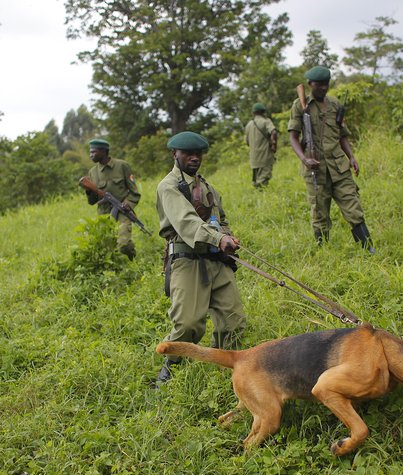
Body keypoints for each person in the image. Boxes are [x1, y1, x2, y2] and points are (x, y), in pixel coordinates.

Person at [155, 131, 247, 384]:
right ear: (175, 154)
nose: (195, 158)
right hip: (187, 260)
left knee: (234, 322)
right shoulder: (169, 186)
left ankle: (225, 374)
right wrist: (219, 238)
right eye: (188, 153)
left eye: (199, 154)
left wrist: (228, 237)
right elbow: (186, 222)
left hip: (217, 260)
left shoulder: (207, 187)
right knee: (188, 325)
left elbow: (222, 219)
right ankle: (170, 370)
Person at [288, 66, 376, 253]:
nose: (323, 88)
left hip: (339, 166)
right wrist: (304, 159)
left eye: (326, 85)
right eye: (319, 85)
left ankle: (368, 249)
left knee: (353, 205)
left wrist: (351, 157)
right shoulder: (300, 105)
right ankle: (324, 251)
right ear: (310, 84)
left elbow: (342, 135)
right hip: (316, 168)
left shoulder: (335, 105)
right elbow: (293, 137)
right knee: (319, 211)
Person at [81, 138, 142, 260]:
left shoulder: (122, 166)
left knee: (123, 244)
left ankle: (132, 260)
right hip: (104, 214)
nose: (91, 155)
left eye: (94, 152)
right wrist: (88, 190)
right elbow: (92, 201)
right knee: (107, 249)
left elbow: (134, 192)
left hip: (122, 211)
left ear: (104, 151)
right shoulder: (93, 172)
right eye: (90, 152)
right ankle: (117, 272)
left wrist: (128, 204)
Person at [244, 103, 278, 188]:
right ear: (263, 112)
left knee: (256, 179)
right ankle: (262, 194)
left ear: (253, 113)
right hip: (265, 155)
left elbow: (247, 142)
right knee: (264, 178)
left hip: (254, 157)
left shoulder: (249, 125)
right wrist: (274, 144)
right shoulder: (266, 121)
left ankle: (258, 194)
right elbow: (273, 132)